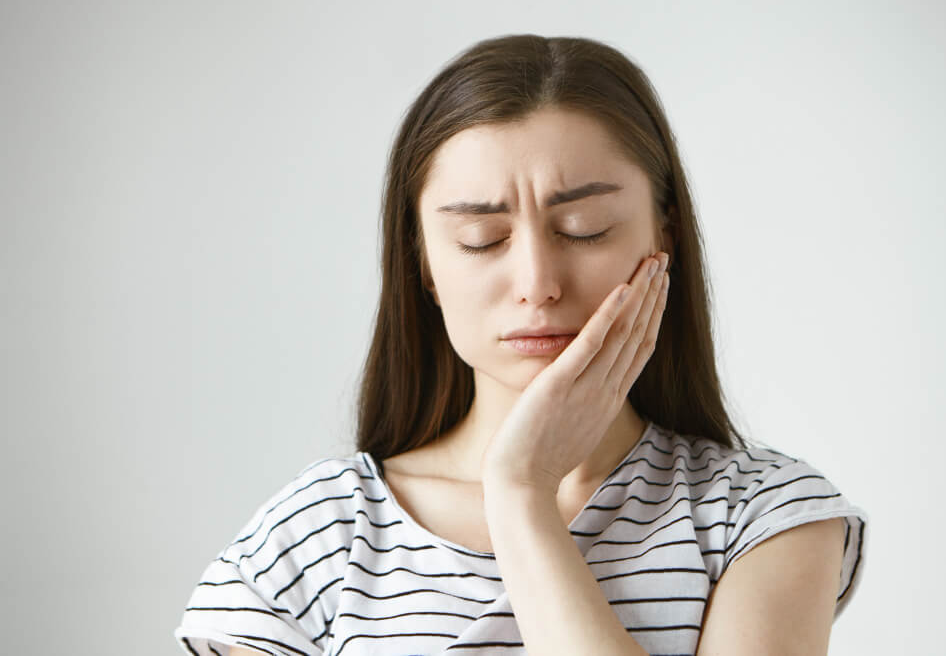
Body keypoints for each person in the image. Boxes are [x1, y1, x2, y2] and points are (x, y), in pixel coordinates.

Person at [175, 34, 868, 655]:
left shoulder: (766, 513)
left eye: (585, 228)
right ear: (423, 265)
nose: (537, 283)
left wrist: (522, 496)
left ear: (664, 237)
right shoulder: (314, 537)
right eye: (482, 239)